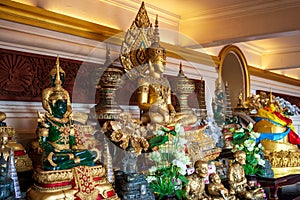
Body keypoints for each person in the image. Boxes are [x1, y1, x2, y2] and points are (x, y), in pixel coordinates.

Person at [137, 16, 196, 127]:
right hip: (152, 114)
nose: (164, 64)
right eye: (161, 61)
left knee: (192, 117)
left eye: (164, 61)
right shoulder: (144, 80)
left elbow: (169, 103)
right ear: (151, 62)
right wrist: (157, 108)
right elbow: (142, 104)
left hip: (166, 113)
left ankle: (170, 123)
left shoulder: (165, 81)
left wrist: (172, 110)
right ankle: (170, 124)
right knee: (157, 118)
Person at [37, 57, 95, 170]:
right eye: (59, 106)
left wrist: (74, 146)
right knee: (53, 159)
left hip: (68, 151)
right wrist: (53, 149)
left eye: (63, 105)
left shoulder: (68, 120)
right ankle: (70, 162)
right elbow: (42, 143)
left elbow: (72, 139)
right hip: (56, 153)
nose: (62, 108)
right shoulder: (47, 122)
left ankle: (68, 163)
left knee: (90, 154)